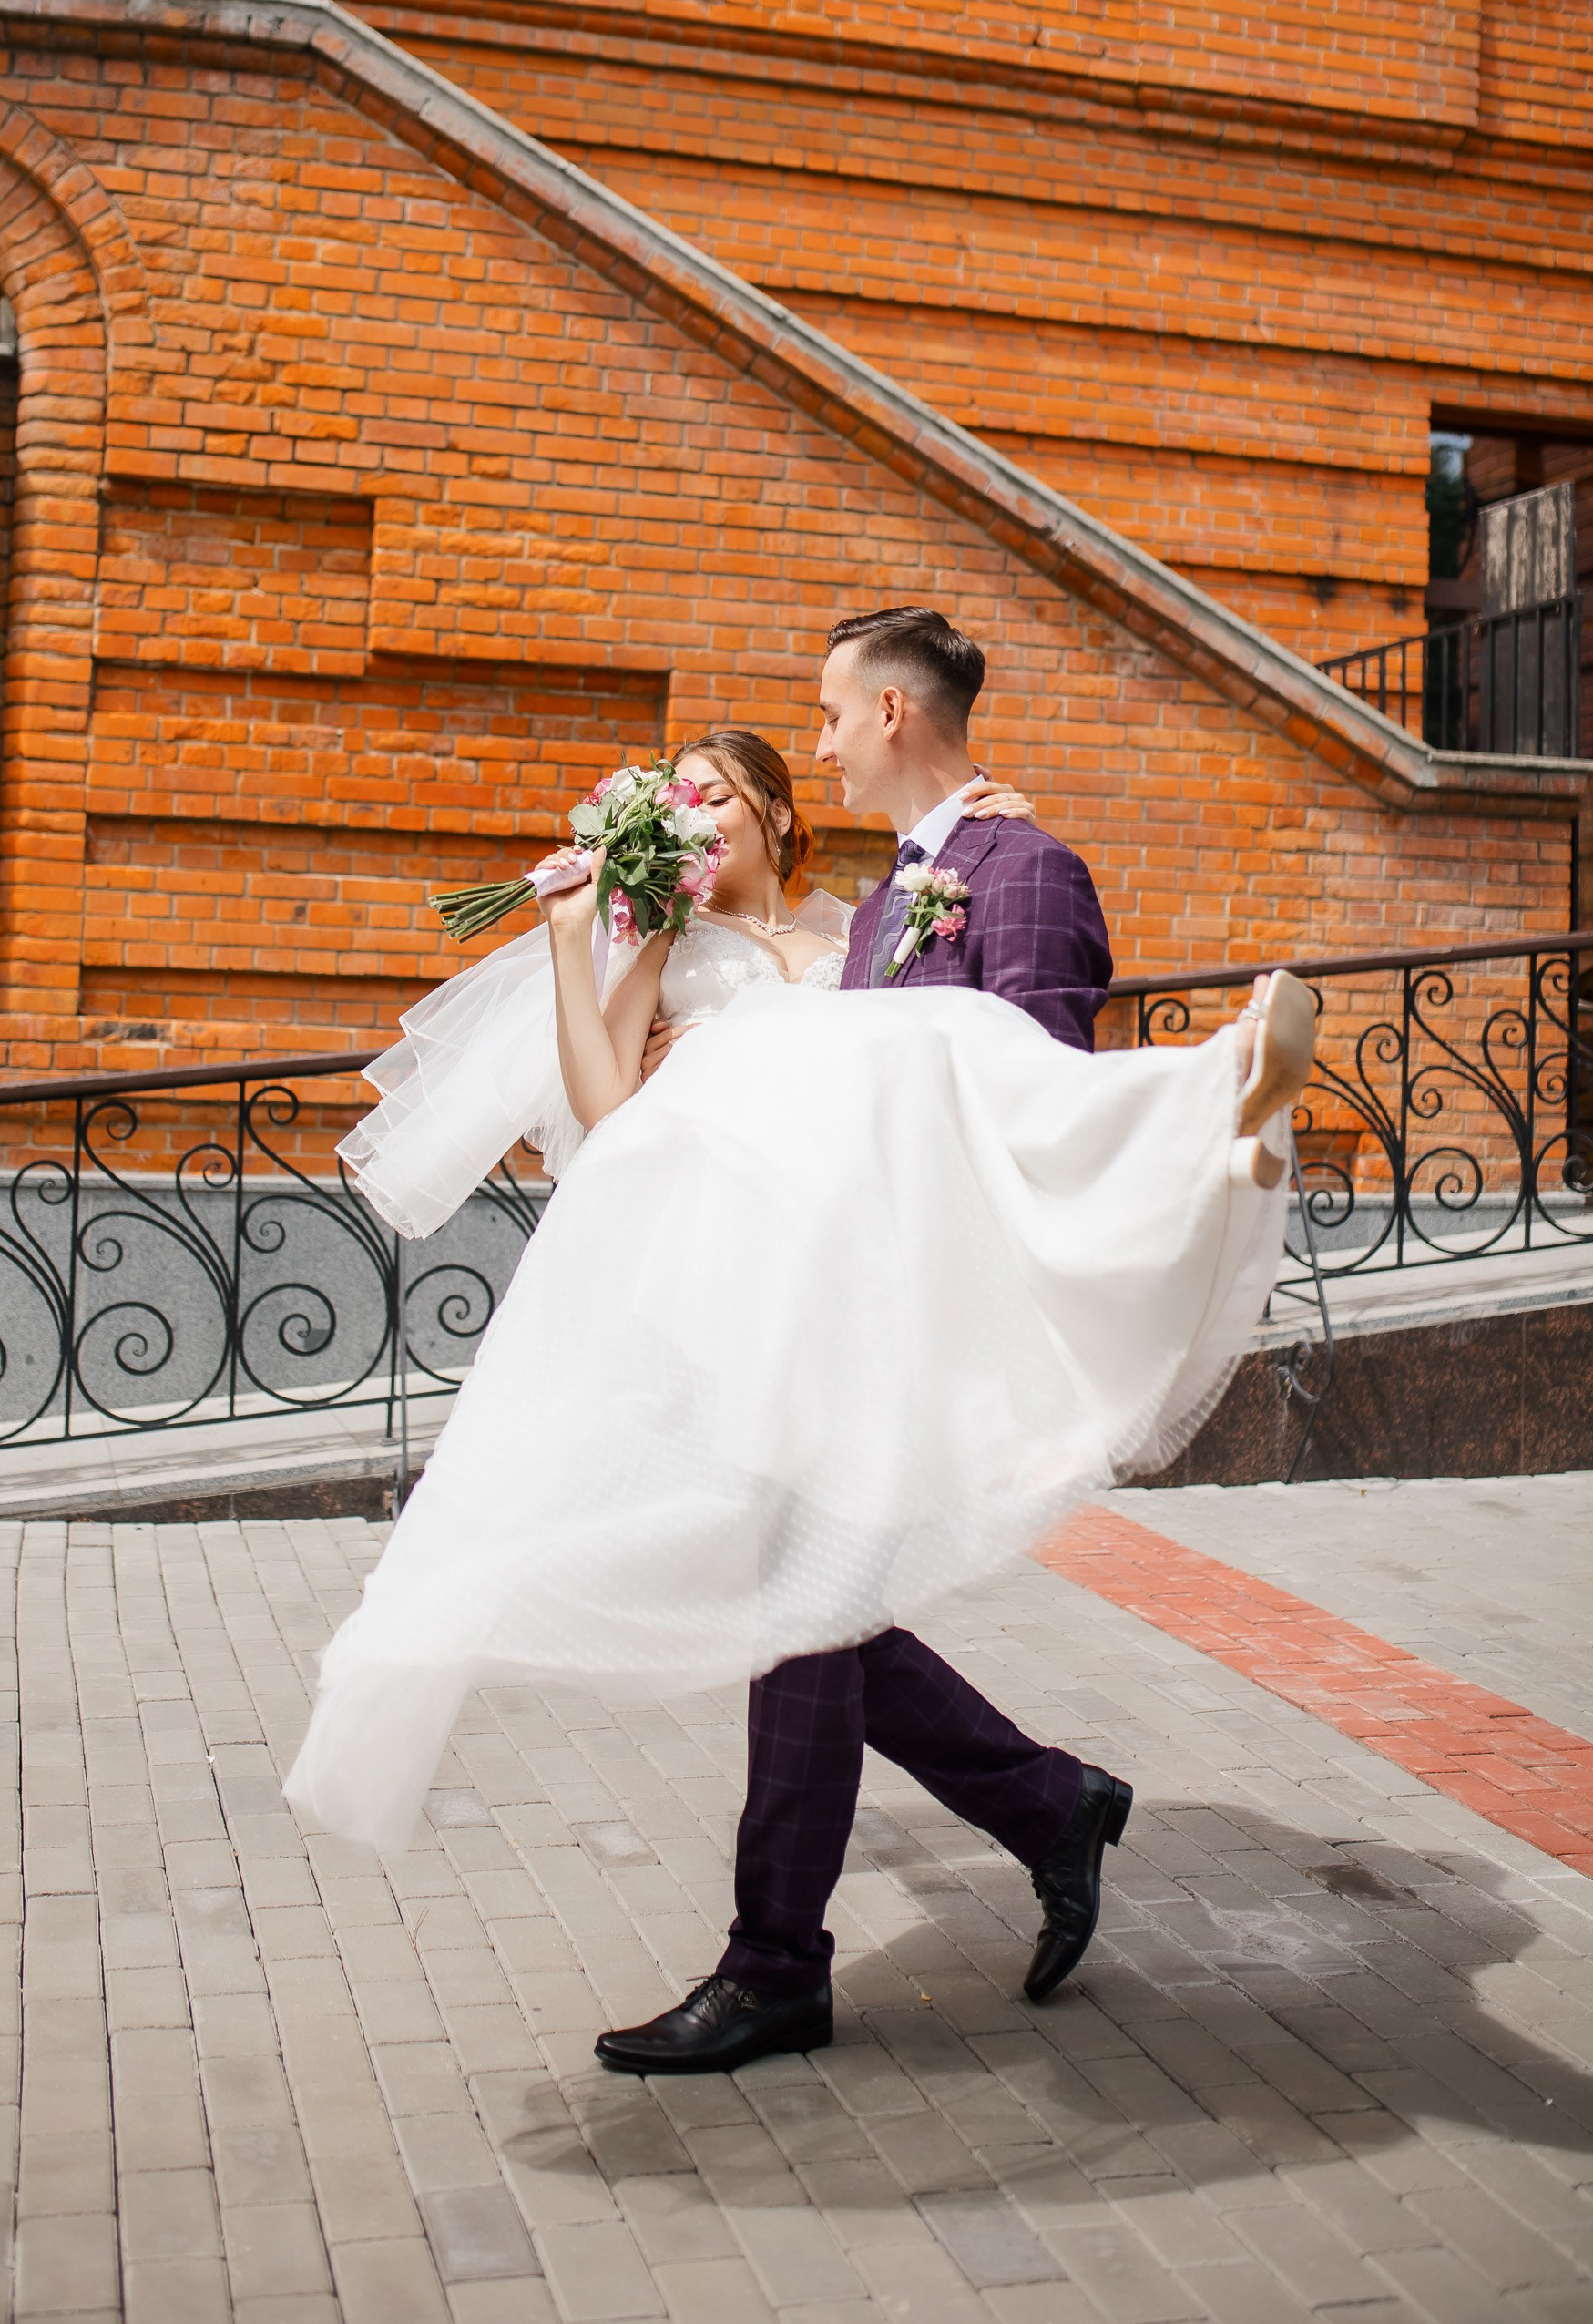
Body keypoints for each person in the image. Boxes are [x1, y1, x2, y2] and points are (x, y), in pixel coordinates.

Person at [284, 607, 1314, 2066]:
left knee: (806, 1612)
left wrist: (982, 856)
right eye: (673, 798)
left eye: (726, 784)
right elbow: (604, 1104)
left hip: (860, 1302)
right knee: (808, 1608)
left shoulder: (893, 914)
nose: (804, 750)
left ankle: (799, 1951)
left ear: (781, 806)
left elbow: (1005, 1072)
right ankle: (1018, 1819)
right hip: (746, 1306)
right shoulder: (733, 932)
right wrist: (589, 941)